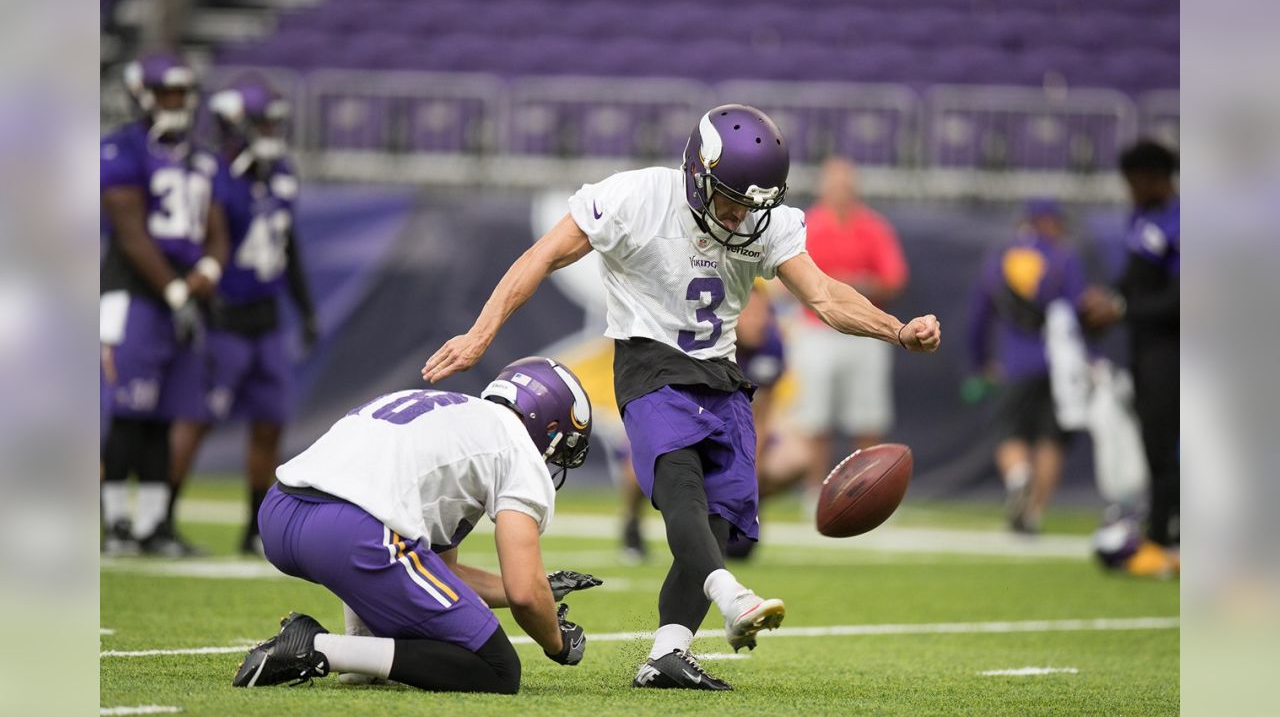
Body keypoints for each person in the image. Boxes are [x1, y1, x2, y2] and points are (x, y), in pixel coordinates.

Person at [422, 104, 941, 690]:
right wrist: (480, 333)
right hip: (650, 363)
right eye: (728, 196)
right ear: (697, 171)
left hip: (720, 370)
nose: (739, 212)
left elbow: (823, 297)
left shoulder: (763, 222)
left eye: (751, 202)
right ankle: (730, 593)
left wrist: (894, 329)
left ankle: (667, 652)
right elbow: (543, 255)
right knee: (680, 486)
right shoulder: (636, 198)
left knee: (720, 517)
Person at [233, 357, 600, 692]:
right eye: (563, 444)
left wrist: (541, 591)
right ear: (549, 425)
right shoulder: (515, 446)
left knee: (404, 569)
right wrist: (558, 641)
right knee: (498, 669)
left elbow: (439, 571)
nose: (555, 457)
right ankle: (316, 646)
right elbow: (524, 595)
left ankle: (358, 654)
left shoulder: (448, 411)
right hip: (352, 536)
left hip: (280, 512)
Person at [167, 75, 319, 556]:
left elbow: (288, 245)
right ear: (238, 123)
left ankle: (254, 528)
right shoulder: (214, 173)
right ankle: (159, 519)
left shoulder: (279, 171)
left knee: (270, 422)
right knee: (197, 417)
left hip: (267, 319)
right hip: (224, 317)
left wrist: (305, 307)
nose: (273, 129)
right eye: (264, 121)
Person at [100, 53, 228, 556]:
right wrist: (176, 291)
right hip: (134, 292)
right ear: (144, 94)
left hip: (182, 297)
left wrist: (206, 272)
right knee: (129, 411)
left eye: (182, 92)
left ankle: (153, 526)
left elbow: (216, 229)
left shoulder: (201, 155)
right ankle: (115, 525)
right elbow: (131, 234)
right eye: (166, 92)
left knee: (164, 415)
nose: (176, 102)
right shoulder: (122, 147)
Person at [619, 282, 786, 563]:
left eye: (764, 314)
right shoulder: (691, 341)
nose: (760, 322)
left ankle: (741, 510)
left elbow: (764, 416)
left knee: (795, 456)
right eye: (752, 315)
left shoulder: (770, 344)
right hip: (682, 422)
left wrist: (748, 480)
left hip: (732, 428)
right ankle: (632, 521)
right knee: (642, 457)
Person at [1080, 139, 1180, 577]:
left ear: (1156, 178)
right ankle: (1160, 536)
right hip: (1146, 345)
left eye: (1135, 182)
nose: (1129, 190)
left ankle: (1166, 539)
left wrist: (1120, 309)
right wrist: (1110, 298)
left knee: (1171, 446)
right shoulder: (1143, 217)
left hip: (1177, 346)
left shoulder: (1183, 219)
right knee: (1154, 443)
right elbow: (1136, 279)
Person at [790, 157, 908, 503]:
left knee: (866, 418)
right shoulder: (806, 224)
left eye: (846, 185)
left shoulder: (873, 227)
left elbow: (894, 279)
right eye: (834, 185)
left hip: (864, 331)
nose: (841, 192)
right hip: (816, 331)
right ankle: (815, 492)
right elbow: (787, 281)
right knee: (815, 417)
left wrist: (853, 285)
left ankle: (870, 490)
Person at [966, 199, 1087, 534]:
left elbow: (979, 316)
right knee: (1052, 438)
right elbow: (1080, 312)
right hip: (1059, 365)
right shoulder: (1064, 256)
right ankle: (1033, 513)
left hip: (1014, 362)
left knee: (1010, 432)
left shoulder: (1001, 256)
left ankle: (1018, 477)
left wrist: (980, 362)